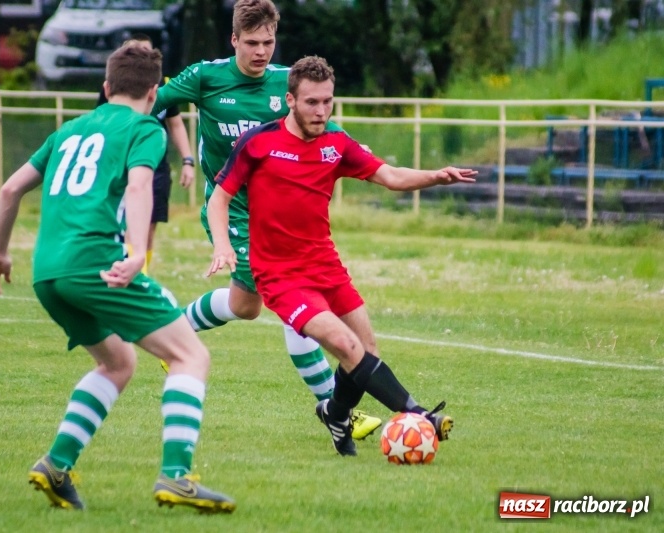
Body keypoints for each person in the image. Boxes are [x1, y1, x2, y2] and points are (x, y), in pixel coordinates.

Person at [0, 42, 235, 513]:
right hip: (96, 263)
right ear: (155, 91)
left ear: (105, 87)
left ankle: (56, 465)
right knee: (190, 355)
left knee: (118, 363)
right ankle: (177, 477)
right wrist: (138, 251)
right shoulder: (145, 127)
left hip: (47, 273)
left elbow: (11, 187)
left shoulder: (71, 128)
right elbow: (139, 186)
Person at [205, 55, 478, 456]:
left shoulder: (337, 144)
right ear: (290, 101)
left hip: (326, 267)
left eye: (327, 102)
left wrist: (435, 176)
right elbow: (221, 197)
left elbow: (390, 176)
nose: (321, 111)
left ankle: (335, 413)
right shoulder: (259, 143)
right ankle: (420, 415)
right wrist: (222, 244)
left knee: (367, 354)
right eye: (312, 102)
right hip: (280, 276)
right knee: (348, 348)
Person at [152, 0, 382, 441]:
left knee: (246, 306)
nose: (262, 51)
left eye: (269, 42)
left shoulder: (287, 84)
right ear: (234, 39)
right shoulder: (205, 77)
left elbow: (322, 127)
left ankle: (171, 330)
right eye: (252, 42)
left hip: (281, 212)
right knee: (294, 300)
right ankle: (337, 410)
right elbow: (150, 103)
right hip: (233, 207)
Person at [96, 34, 195, 274]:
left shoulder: (162, 91)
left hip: (156, 167)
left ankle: (140, 272)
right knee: (128, 221)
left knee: (149, 225)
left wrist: (188, 160)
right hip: (124, 165)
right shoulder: (113, 90)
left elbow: (176, 124)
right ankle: (127, 272)